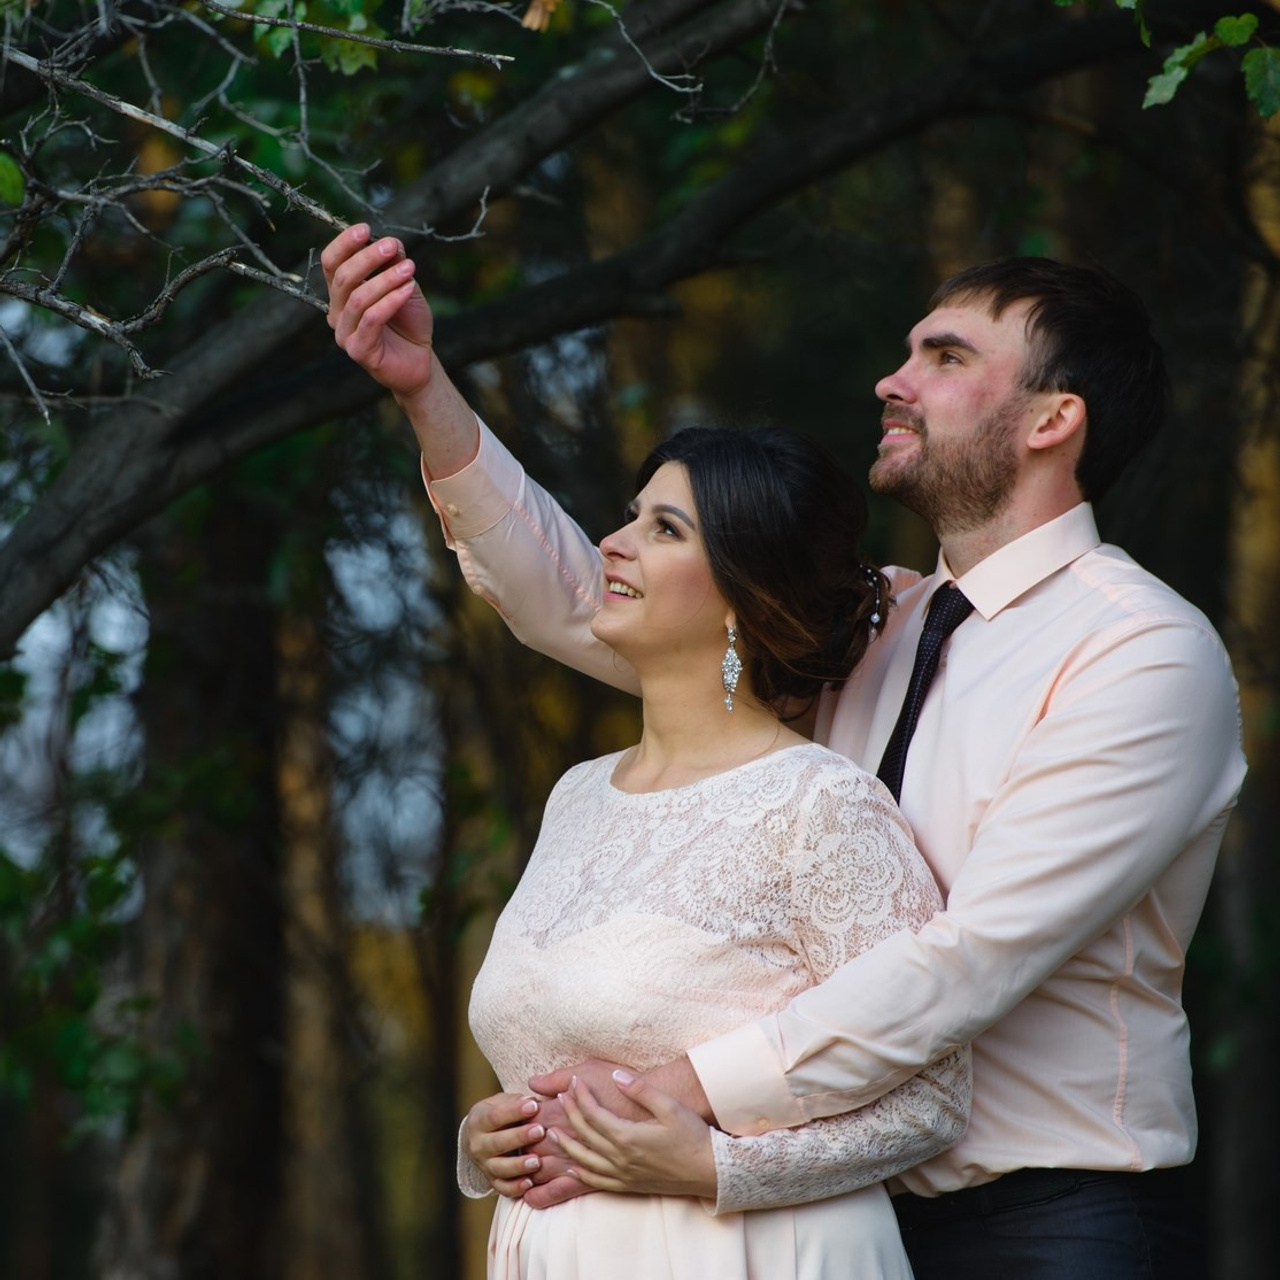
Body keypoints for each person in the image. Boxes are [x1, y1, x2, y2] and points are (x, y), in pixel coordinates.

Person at [322, 227, 1246, 1279]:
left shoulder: (1137, 652)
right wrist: (425, 392)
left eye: (942, 358)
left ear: (1052, 418)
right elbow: (595, 604)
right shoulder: (878, 622)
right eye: (905, 351)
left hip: (1049, 1223)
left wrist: (679, 1087)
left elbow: (971, 955)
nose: (889, 381)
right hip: (831, 1207)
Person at [454, 424, 970, 1278]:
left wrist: (718, 1168)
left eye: (664, 530)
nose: (611, 544)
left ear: (742, 594)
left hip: (743, 1250)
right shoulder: (577, 794)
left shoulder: (822, 804)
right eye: (631, 517)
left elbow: (934, 1103)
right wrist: (486, 1141)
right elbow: (537, 1050)